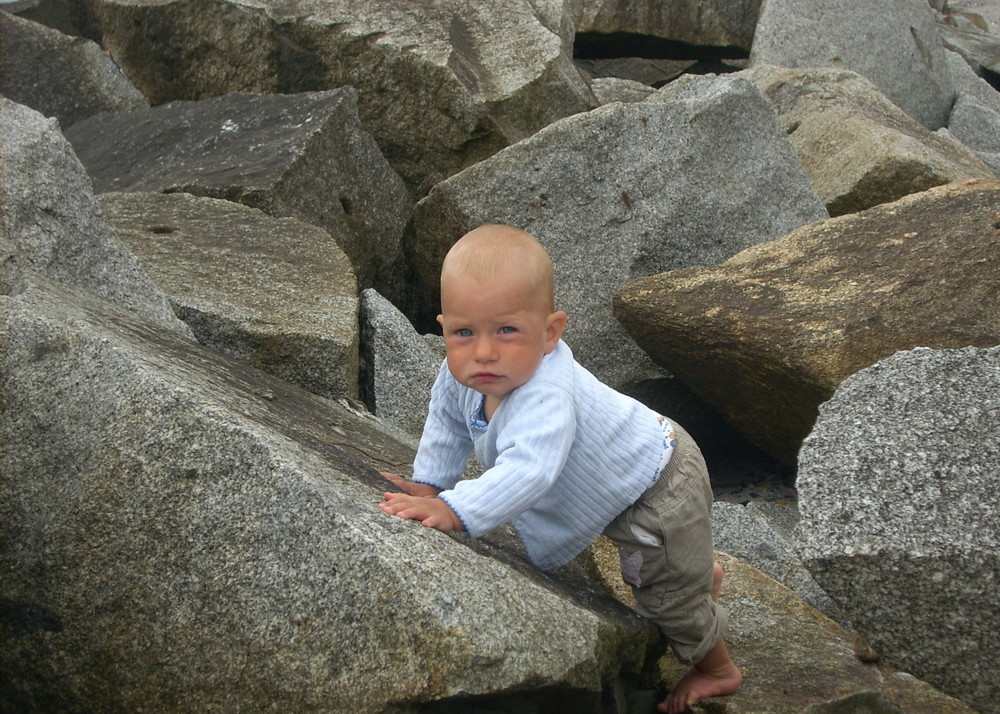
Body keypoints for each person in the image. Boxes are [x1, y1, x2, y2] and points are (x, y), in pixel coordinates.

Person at [378, 224, 742, 713]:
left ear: (550, 333)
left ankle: (716, 667)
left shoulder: (546, 395)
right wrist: (429, 484)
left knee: (663, 600)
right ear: (444, 327)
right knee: (672, 573)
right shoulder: (462, 371)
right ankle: (694, 573)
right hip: (623, 480)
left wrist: (455, 508)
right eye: (464, 332)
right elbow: (447, 424)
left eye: (507, 330)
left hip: (657, 485)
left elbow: (530, 471)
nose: (483, 351)